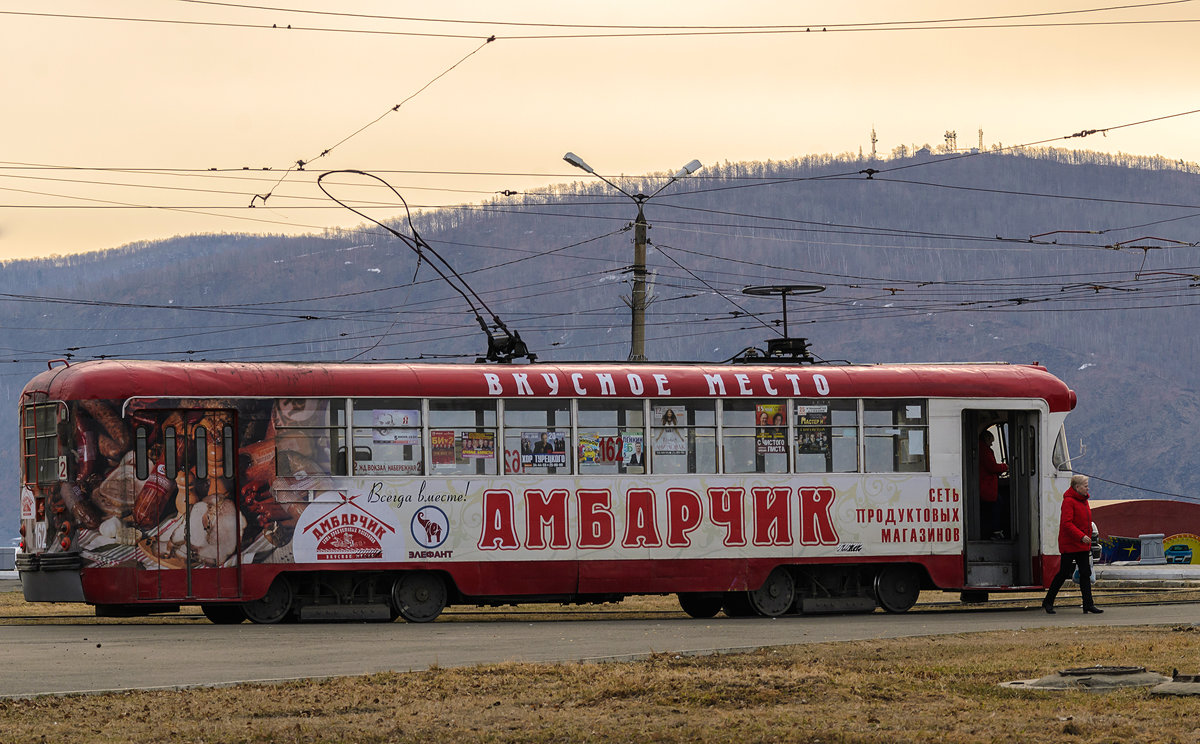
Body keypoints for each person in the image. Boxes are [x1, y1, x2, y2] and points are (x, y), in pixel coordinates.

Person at [1042, 474, 1102, 614]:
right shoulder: (1069, 501)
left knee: (1085, 573)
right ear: (1077, 487)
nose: (1088, 488)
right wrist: (1081, 536)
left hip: (1082, 544)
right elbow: (1066, 524)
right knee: (1063, 573)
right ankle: (1048, 601)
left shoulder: (1083, 500)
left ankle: (1088, 604)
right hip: (1070, 544)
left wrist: (1085, 538)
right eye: (1085, 486)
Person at [978, 431, 1009, 539]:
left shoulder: (981, 448)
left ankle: (994, 530)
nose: (991, 444)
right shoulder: (984, 450)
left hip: (985, 485)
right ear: (986, 439)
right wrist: (1005, 467)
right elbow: (992, 467)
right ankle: (995, 531)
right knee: (998, 505)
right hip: (986, 486)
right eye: (991, 441)